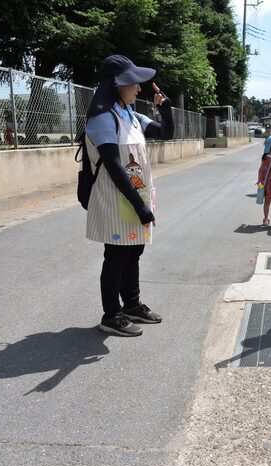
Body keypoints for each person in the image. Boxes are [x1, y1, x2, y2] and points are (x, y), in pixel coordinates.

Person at [84, 55, 174, 337]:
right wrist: (140, 207)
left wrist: (166, 109)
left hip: (134, 198)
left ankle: (132, 304)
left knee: (134, 251)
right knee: (116, 255)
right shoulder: (103, 118)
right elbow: (113, 167)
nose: (138, 88)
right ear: (117, 85)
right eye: (132, 83)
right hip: (115, 199)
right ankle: (111, 315)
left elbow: (166, 133)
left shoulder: (130, 114)